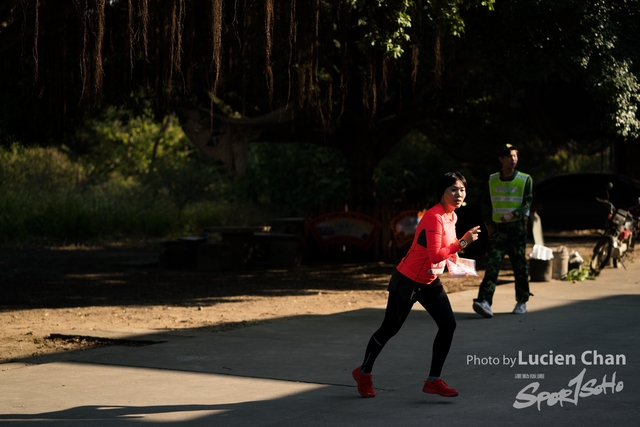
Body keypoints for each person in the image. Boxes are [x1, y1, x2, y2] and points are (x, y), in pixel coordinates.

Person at [352, 172, 481, 398]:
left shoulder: (452, 217)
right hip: (408, 280)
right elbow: (434, 255)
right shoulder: (433, 217)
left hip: (430, 281)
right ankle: (364, 372)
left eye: (462, 189)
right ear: (442, 192)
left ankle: (433, 380)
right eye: (453, 189)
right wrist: (462, 243)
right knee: (390, 328)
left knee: (448, 325)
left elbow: (445, 249)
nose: (459, 194)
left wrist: (459, 263)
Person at [472, 144, 533, 318]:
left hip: (517, 230)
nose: (513, 159)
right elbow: (485, 202)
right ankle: (484, 301)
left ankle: (522, 301)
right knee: (492, 265)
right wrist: (488, 225)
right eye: (509, 156)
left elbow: (527, 203)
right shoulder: (492, 179)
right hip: (498, 231)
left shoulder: (525, 179)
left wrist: (513, 214)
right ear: (501, 159)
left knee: (519, 266)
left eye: (515, 156)